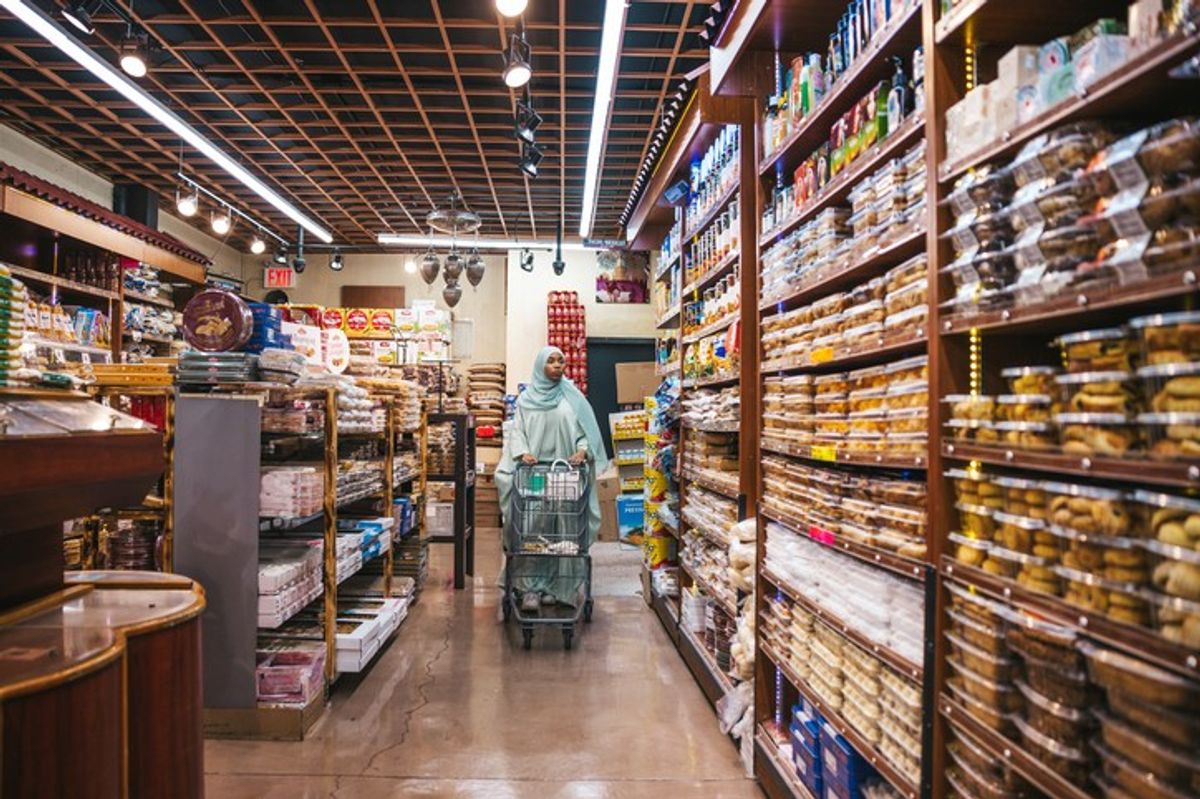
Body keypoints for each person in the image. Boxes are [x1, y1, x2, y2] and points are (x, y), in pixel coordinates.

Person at [496, 346, 609, 613]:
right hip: (533, 477)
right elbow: (518, 433)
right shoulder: (525, 401)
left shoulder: (573, 398)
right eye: (551, 361)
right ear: (539, 366)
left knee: (564, 530)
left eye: (562, 361)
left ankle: (559, 587)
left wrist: (583, 450)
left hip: (565, 476)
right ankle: (529, 587)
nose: (558, 366)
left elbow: (585, 432)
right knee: (532, 526)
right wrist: (523, 452)